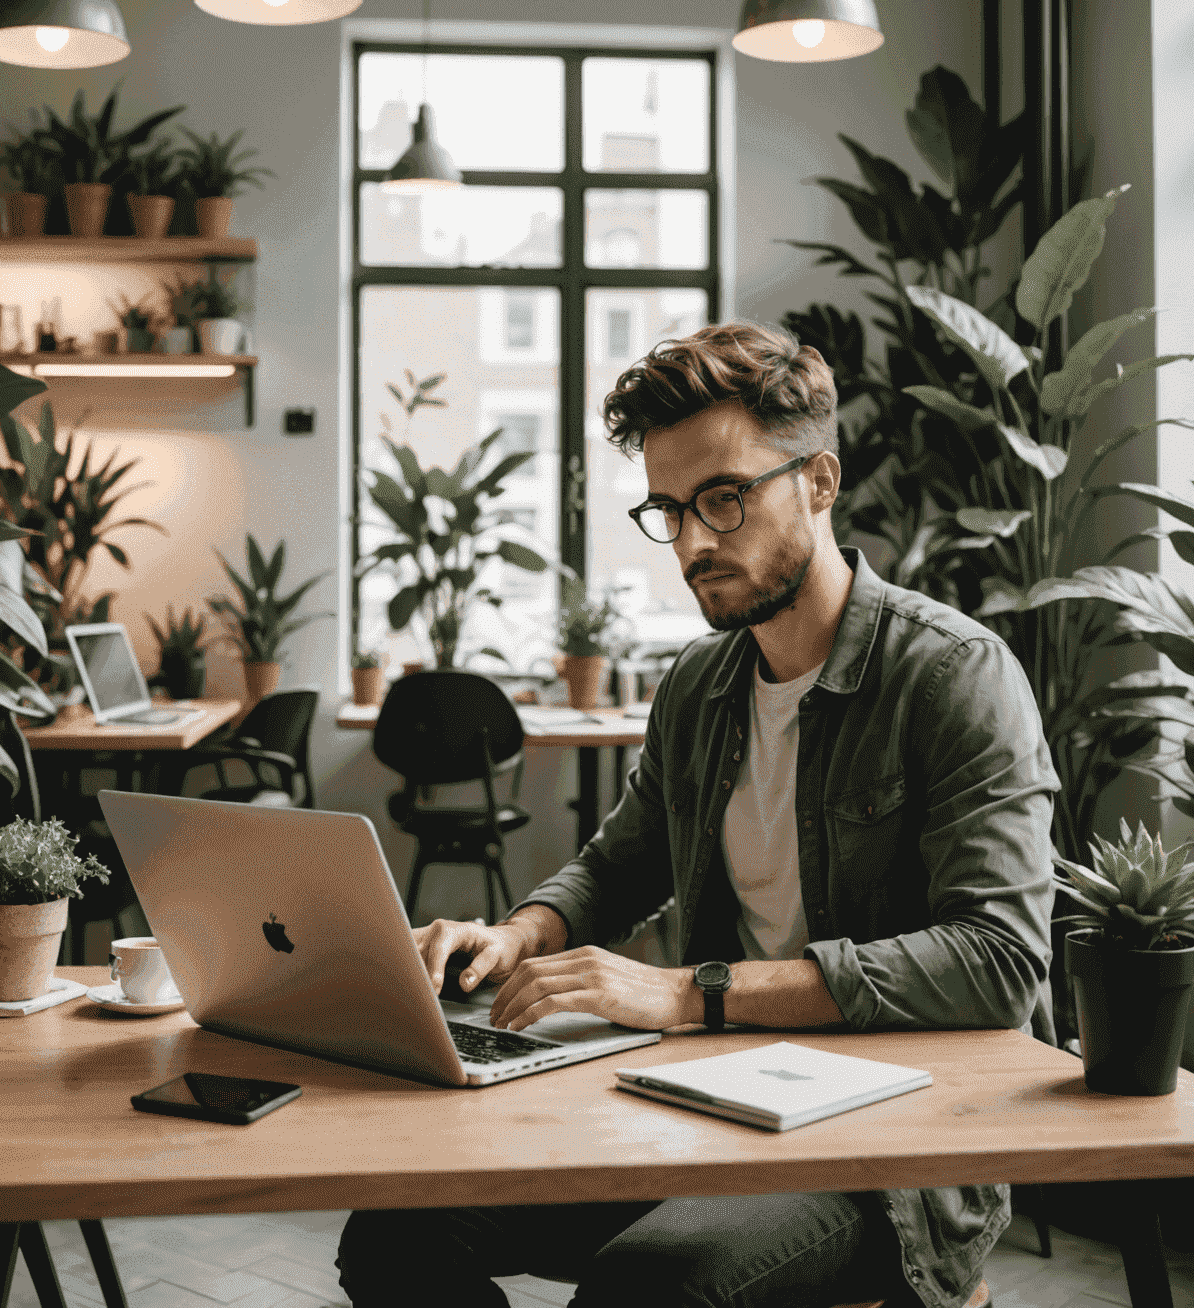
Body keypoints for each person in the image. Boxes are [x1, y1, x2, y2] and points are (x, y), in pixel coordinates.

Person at [337, 321, 1056, 1308]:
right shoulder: (701, 686)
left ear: (819, 482)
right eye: (670, 511)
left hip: (894, 1148)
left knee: (649, 1288)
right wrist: (515, 935)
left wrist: (685, 994)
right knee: (394, 1234)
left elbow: (999, 960)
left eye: (724, 499)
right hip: (710, 1099)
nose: (694, 543)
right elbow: (621, 864)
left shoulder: (953, 675)